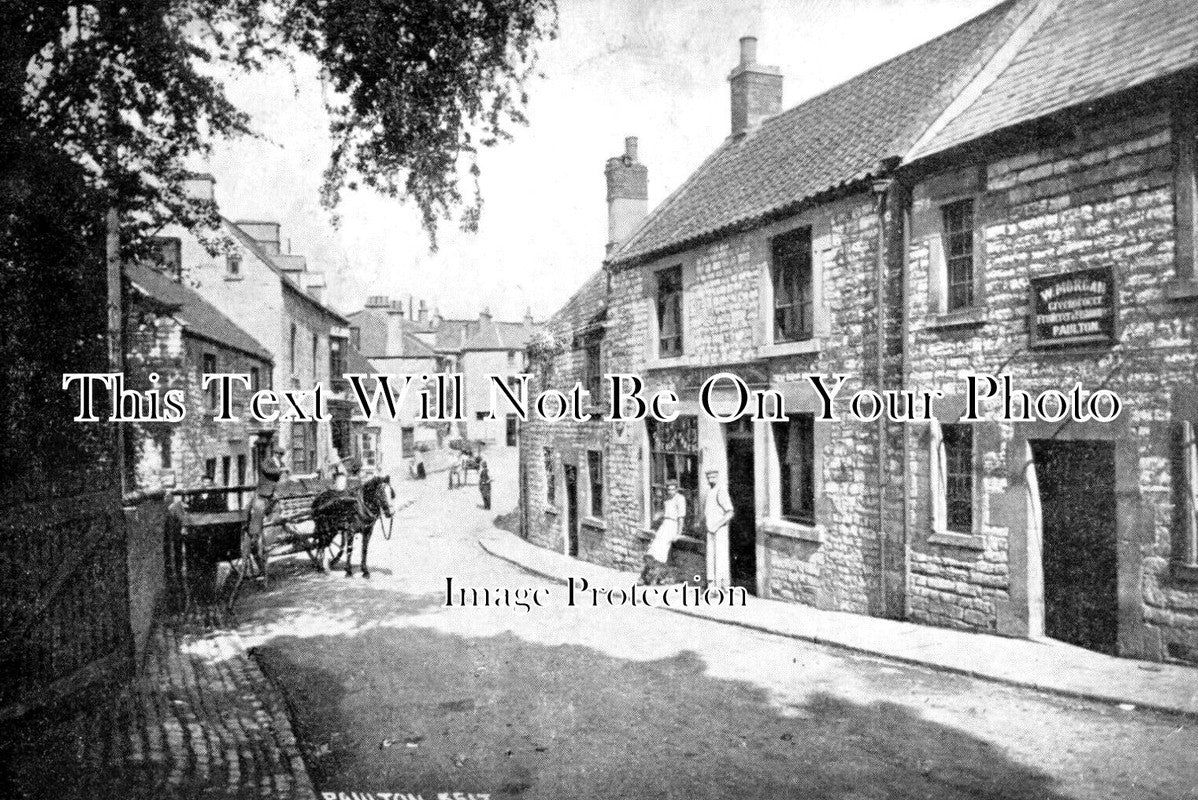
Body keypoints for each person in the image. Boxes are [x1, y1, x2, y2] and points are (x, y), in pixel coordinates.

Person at [640, 480, 686, 585]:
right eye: (669, 489)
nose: (670, 492)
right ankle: (651, 576)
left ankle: (656, 577)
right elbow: (664, 514)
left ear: (676, 489)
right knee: (654, 548)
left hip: (673, 525)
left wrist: (678, 533)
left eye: (673, 489)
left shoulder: (680, 499)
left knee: (662, 551)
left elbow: (681, 518)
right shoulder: (667, 500)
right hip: (665, 524)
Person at [703, 469, 734, 590]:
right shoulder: (710, 491)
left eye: (713, 478)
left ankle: (722, 586)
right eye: (709, 478)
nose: (711, 480)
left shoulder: (721, 491)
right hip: (710, 530)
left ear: (717, 477)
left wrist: (717, 525)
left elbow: (730, 512)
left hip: (719, 530)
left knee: (720, 558)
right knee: (711, 557)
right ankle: (711, 586)